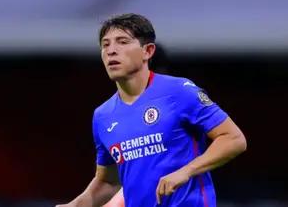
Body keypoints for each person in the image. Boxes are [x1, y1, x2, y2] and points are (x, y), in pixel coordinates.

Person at [56, 13, 247, 207]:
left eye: (122, 42)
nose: (111, 51)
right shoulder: (103, 115)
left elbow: (233, 139)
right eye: (105, 45)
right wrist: (75, 205)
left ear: (148, 51)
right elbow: (108, 181)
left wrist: (186, 171)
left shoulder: (179, 91)